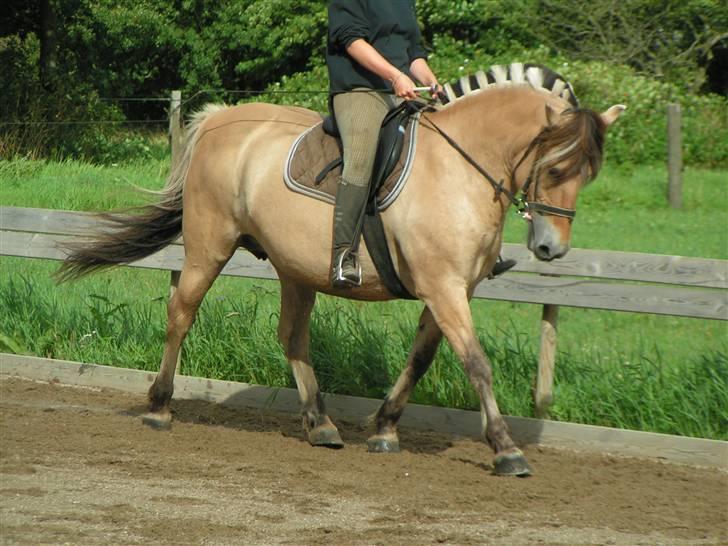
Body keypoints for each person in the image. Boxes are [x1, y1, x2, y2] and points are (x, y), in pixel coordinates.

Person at [326, 0, 442, 288]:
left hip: (403, 91)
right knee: (361, 156)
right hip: (361, 90)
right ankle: (344, 256)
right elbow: (352, 41)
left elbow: (414, 53)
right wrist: (394, 76)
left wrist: (430, 80)